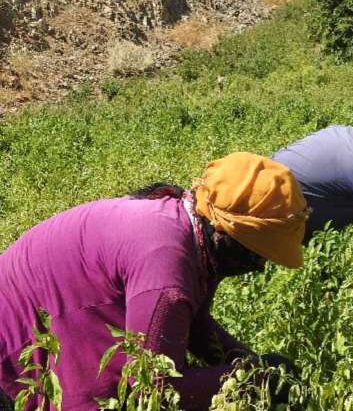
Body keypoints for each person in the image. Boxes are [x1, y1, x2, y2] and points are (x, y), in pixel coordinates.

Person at [0, 153, 308, 410]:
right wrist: (252, 381)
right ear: (223, 231)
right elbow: (155, 387)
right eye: (258, 253)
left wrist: (249, 363)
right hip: (13, 348)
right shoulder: (166, 265)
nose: (261, 265)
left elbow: (194, 325)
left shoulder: (190, 228)